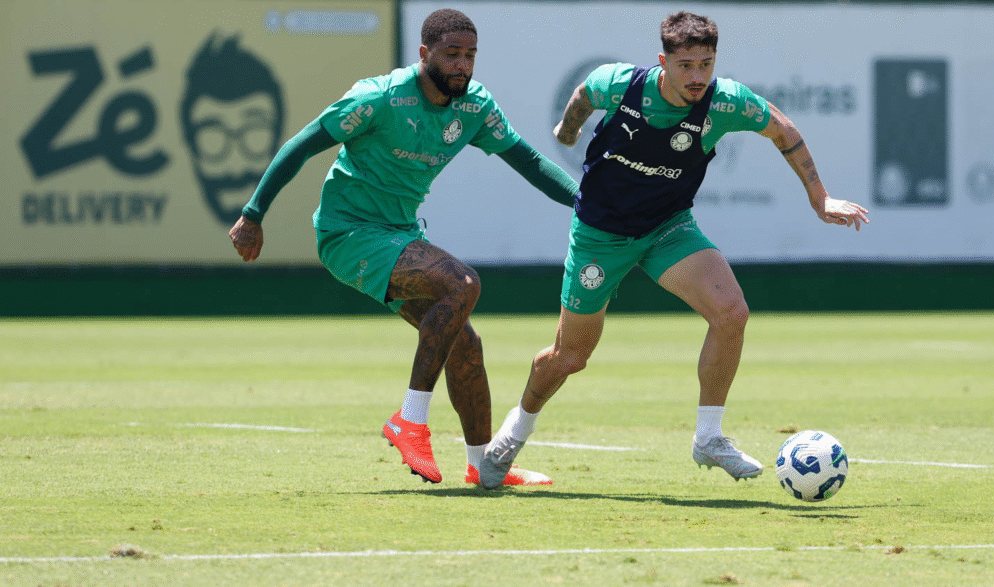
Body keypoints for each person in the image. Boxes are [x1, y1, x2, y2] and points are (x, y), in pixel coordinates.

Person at [479, 11, 869, 489]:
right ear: (662, 61)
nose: (698, 76)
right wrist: (567, 128)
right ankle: (513, 434)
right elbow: (582, 95)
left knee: (732, 312)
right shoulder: (619, 85)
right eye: (685, 65)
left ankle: (709, 437)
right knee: (571, 355)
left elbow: (784, 132)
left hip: (668, 229)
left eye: (706, 63)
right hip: (601, 234)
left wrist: (820, 198)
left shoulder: (727, 102)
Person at [229, 9, 578, 486]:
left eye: (470, 56)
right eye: (451, 54)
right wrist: (253, 213)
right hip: (348, 234)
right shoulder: (379, 98)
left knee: (465, 344)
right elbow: (302, 144)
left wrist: (586, 202)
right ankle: (410, 420)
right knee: (463, 283)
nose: (462, 65)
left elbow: (531, 162)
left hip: (400, 234)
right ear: (424, 54)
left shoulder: (474, 107)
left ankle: (485, 466)